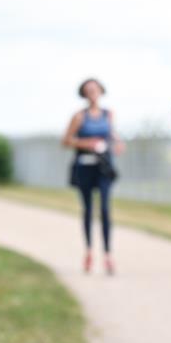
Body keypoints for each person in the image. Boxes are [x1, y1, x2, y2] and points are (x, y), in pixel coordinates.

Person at [62, 78, 125, 275]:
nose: (92, 93)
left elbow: (112, 135)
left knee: (105, 209)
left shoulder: (108, 115)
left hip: (103, 167)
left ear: (100, 91)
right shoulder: (79, 117)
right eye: (88, 90)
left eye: (95, 90)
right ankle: (89, 251)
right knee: (88, 210)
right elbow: (66, 140)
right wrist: (87, 143)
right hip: (84, 166)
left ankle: (107, 255)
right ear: (84, 93)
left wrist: (118, 143)